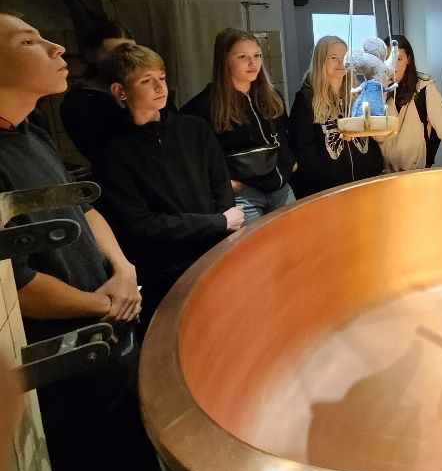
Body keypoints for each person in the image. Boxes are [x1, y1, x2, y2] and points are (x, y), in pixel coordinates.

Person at [0, 11, 159, 471]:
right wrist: (101, 305)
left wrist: (123, 269)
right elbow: (15, 283)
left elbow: (83, 208)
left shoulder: (30, 130)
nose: (57, 47)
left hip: (108, 321)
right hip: (65, 351)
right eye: (28, 41)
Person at [93, 44, 242, 331]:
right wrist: (218, 222)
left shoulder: (194, 129)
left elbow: (220, 184)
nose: (160, 87)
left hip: (214, 252)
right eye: (146, 80)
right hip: (163, 268)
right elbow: (141, 224)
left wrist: (224, 229)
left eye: (161, 77)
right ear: (120, 91)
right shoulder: (113, 151)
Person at [183, 28, 296, 224]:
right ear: (224, 59)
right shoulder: (204, 106)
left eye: (257, 55)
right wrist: (225, 182)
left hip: (280, 187)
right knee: (257, 244)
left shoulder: (272, 96)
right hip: (244, 193)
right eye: (243, 56)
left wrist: (290, 162)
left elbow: (284, 135)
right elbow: (194, 157)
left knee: (295, 238)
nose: (253, 63)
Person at [289, 36, 383, 198]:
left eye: (345, 57)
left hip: (364, 186)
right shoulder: (306, 99)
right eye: (333, 58)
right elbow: (304, 151)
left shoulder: (357, 95)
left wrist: (375, 167)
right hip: (327, 192)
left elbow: (371, 137)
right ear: (321, 61)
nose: (341, 63)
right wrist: (325, 179)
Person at [380, 35, 442, 172]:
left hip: (414, 171)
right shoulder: (374, 89)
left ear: (408, 59)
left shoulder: (424, 87)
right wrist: (381, 93)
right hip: (382, 173)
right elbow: (375, 134)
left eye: (398, 59)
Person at [58, 19, 135, 165]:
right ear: (90, 55)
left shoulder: (149, 87)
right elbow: (108, 155)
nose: (125, 60)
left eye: (130, 52)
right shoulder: (80, 102)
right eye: (113, 53)